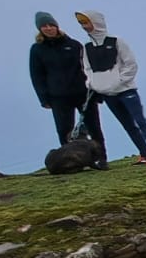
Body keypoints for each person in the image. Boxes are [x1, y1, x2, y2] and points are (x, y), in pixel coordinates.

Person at [74, 10, 146, 165]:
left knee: (140, 122)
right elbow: (87, 69)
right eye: (82, 23)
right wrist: (94, 84)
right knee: (128, 125)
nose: (84, 26)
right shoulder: (86, 48)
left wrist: (119, 81)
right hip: (107, 94)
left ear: (96, 22)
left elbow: (130, 64)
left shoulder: (117, 42)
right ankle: (144, 154)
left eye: (86, 22)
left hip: (126, 91)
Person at [29, 12, 107, 168]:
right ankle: (72, 162)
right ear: (40, 29)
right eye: (44, 26)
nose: (48, 28)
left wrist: (97, 92)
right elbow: (37, 76)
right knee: (65, 130)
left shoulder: (74, 45)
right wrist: (44, 99)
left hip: (83, 94)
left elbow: (89, 69)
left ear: (57, 26)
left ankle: (101, 159)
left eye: (51, 25)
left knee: (94, 128)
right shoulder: (37, 50)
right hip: (58, 97)